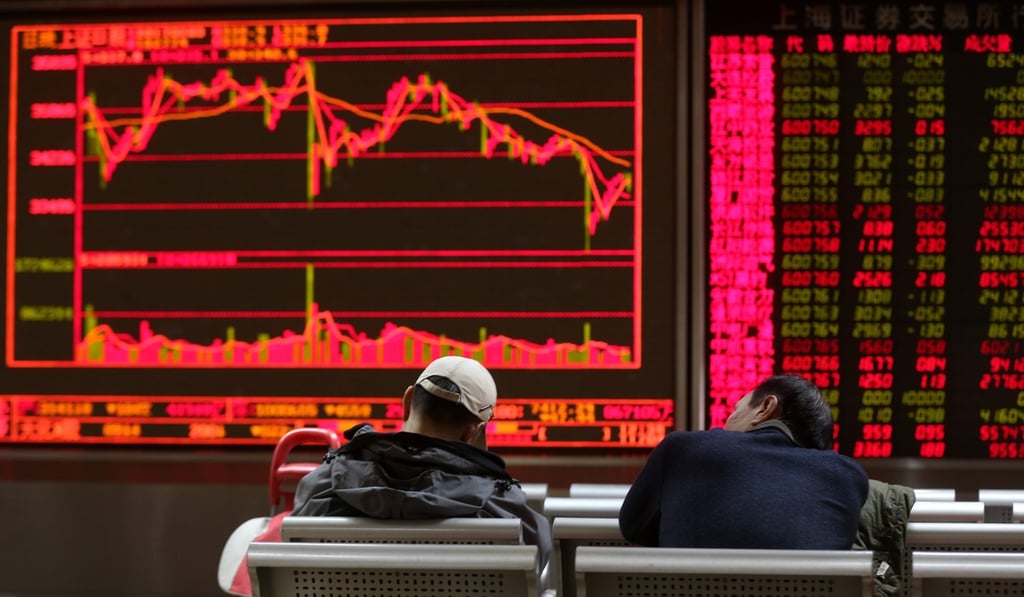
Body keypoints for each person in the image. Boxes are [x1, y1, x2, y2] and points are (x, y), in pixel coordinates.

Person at [291, 355, 552, 568]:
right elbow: (537, 560)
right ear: (473, 431)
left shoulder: (324, 487)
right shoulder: (501, 508)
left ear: (407, 401)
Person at [618, 374, 869, 550]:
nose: (726, 423)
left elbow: (633, 528)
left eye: (735, 410)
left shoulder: (682, 449)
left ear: (765, 408)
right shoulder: (846, 476)